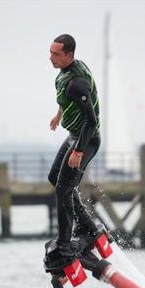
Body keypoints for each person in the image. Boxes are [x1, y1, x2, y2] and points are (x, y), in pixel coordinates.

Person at [47, 34, 101, 261]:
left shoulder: (77, 82)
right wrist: (59, 114)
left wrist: (79, 151)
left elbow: (92, 120)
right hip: (73, 135)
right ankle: (87, 225)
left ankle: (65, 243)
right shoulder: (65, 72)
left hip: (86, 139)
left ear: (69, 55)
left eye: (56, 54)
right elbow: (66, 100)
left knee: (63, 189)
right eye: (50, 52)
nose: (50, 58)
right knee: (54, 178)